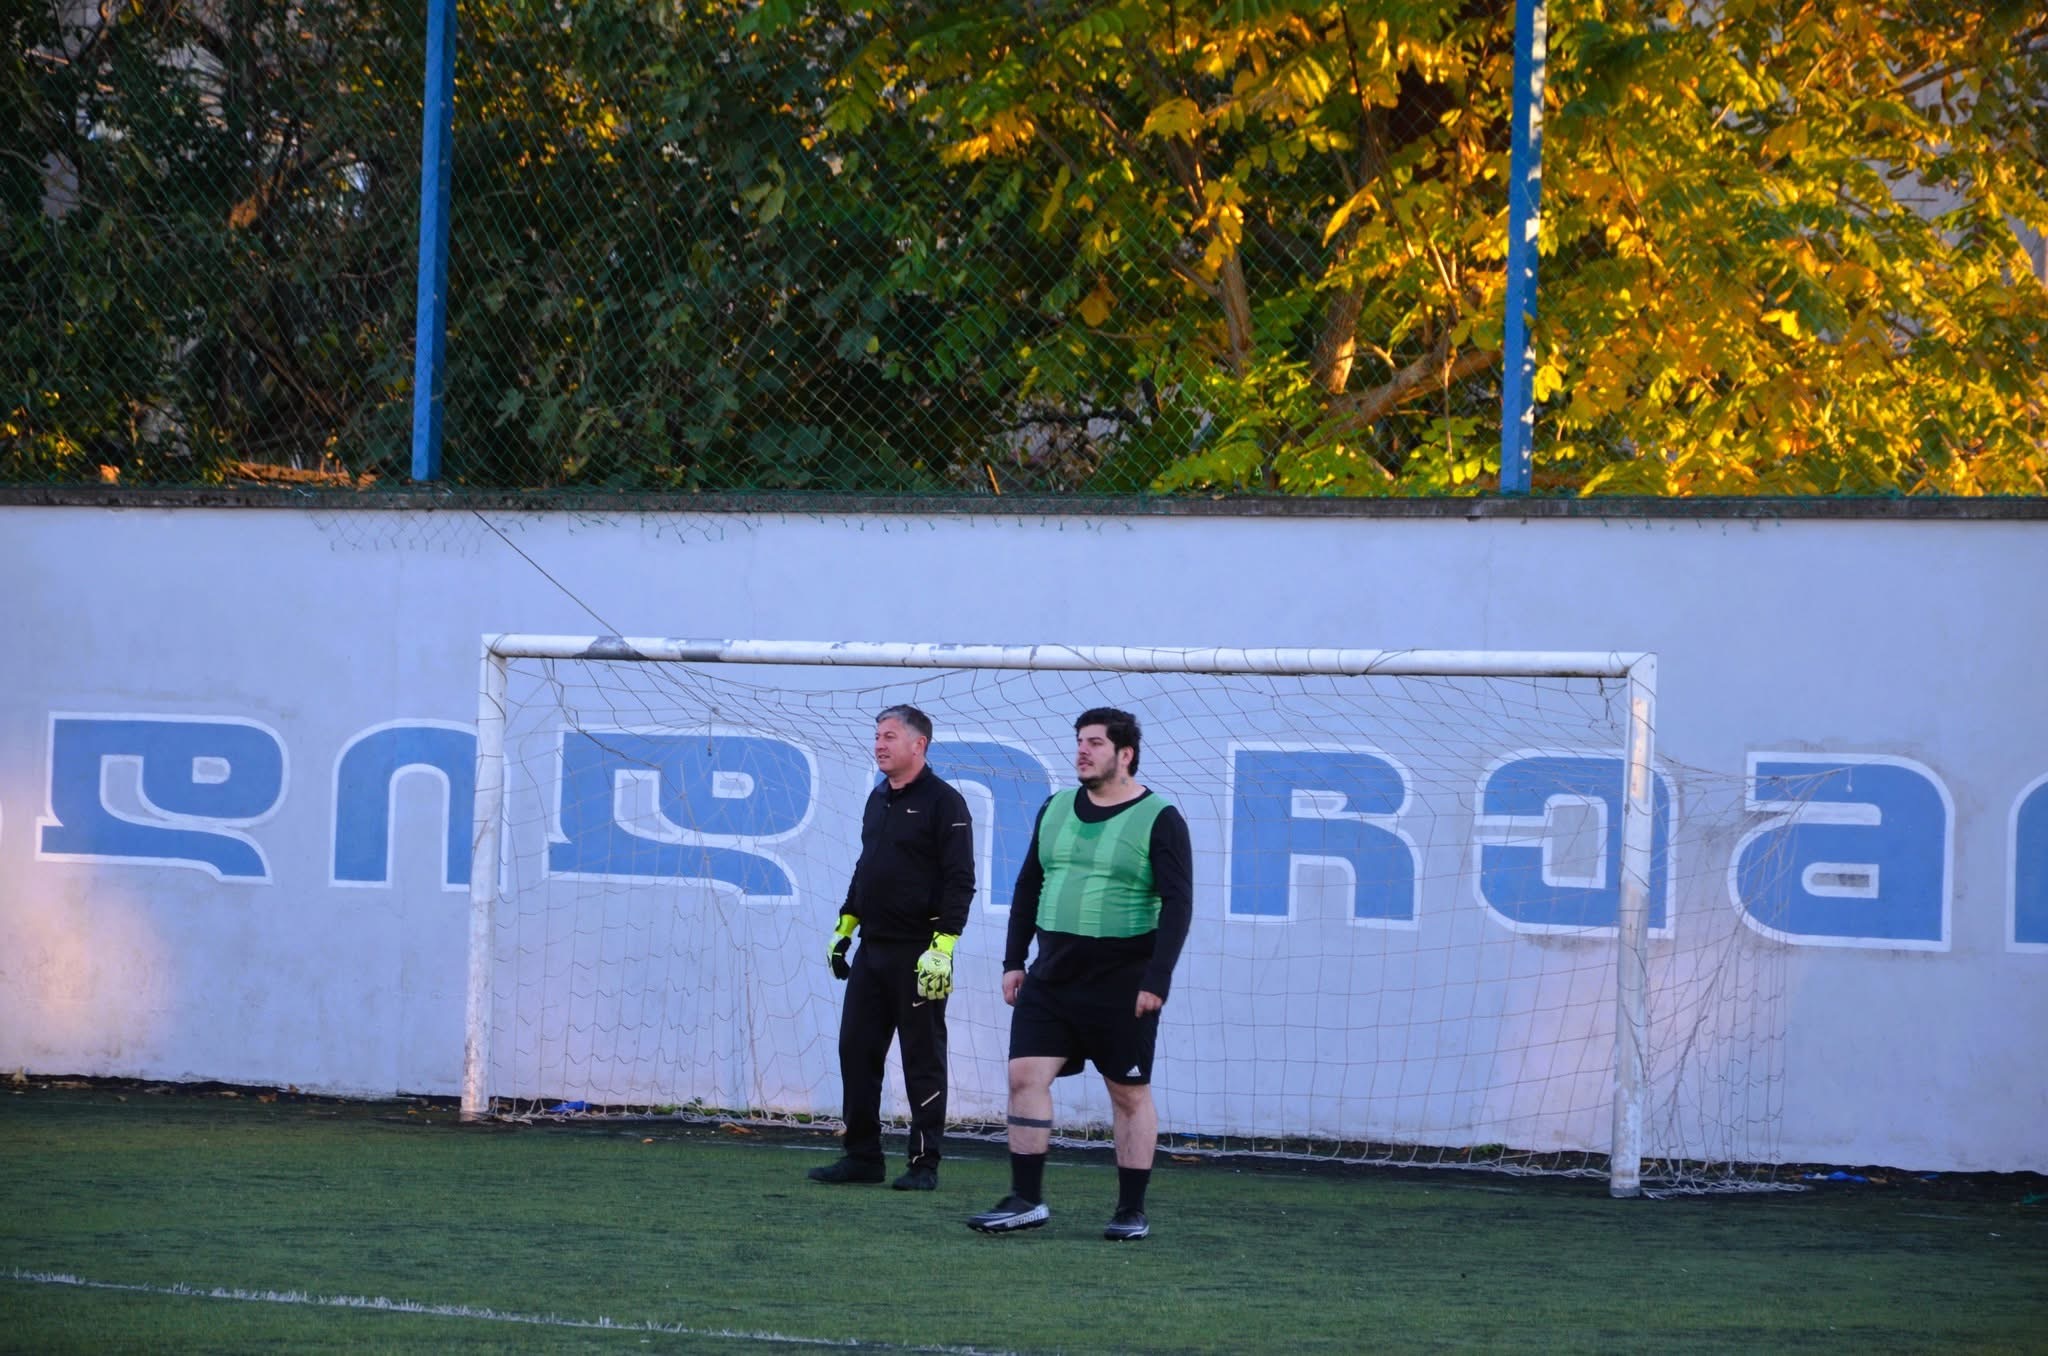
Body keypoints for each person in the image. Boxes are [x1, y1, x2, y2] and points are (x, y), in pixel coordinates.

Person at [967, 708, 1192, 1242]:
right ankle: (1026, 1199)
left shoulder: (1160, 817)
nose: (1082, 751)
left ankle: (1130, 1209)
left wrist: (1157, 978)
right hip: (1051, 976)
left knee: (1128, 1094)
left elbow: (1178, 903)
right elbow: (1029, 885)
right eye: (1079, 742)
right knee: (1025, 1078)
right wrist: (1014, 961)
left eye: (1095, 743)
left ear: (1125, 754)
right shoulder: (1055, 808)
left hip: (1123, 981)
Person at [810, 704, 975, 1191]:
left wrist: (942, 947)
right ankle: (862, 1157)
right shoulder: (877, 797)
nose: (879, 745)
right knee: (856, 1050)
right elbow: (867, 867)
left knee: (922, 1060)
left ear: (918, 745)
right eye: (877, 736)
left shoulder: (945, 803)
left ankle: (924, 1165)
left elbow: (960, 881)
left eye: (889, 736)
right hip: (873, 950)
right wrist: (845, 927)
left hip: (920, 954)